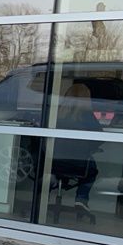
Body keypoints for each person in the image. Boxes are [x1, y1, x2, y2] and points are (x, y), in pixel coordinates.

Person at [52, 82, 101, 210]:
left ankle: (52, 184)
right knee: (92, 171)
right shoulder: (86, 115)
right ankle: (81, 198)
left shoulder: (56, 113)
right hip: (78, 163)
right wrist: (89, 148)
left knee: (60, 169)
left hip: (54, 161)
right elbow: (99, 136)